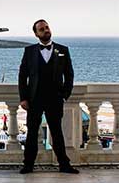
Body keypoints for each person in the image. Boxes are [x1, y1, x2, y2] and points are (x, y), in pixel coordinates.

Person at [17, 19, 79, 174]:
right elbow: (22, 76)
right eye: (42, 29)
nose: (46, 30)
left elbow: (69, 74)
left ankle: (64, 164)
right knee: (32, 133)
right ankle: (28, 164)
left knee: (57, 132)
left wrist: (65, 95)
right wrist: (23, 98)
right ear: (36, 34)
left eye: (47, 27)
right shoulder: (29, 51)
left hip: (55, 98)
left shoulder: (63, 50)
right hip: (34, 99)